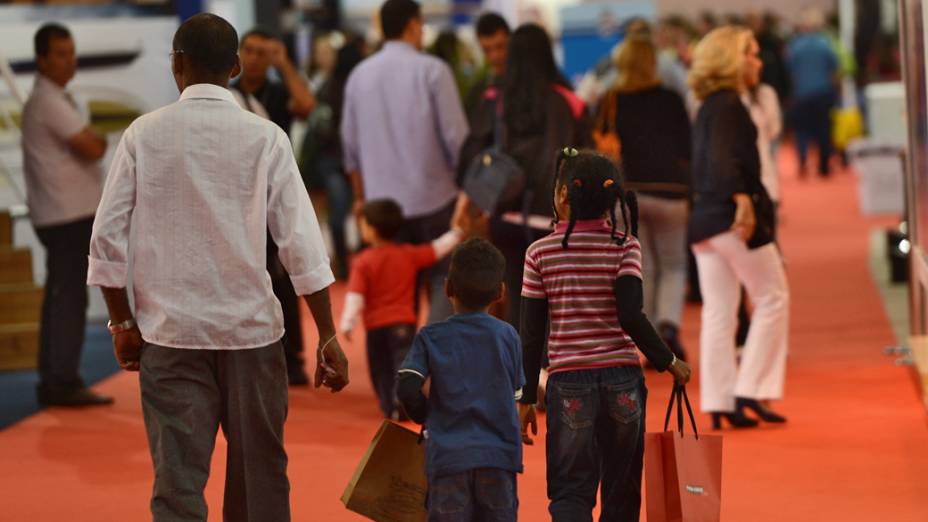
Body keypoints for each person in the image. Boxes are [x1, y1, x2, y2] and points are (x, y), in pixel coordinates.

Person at [86, 14, 350, 521]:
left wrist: (121, 321)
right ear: (234, 68)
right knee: (260, 484)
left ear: (176, 64)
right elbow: (301, 244)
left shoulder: (143, 135)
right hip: (250, 336)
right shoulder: (267, 137)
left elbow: (106, 238)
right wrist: (326, 333)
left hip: (169, 334)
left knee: (178, 484)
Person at [518, 149, 691, 521]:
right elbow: (631, 315)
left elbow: (531, 332)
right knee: (622, 489)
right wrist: (668, 360)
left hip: (569, 383)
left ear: (563, 195)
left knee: (570, 490)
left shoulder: (539, 254)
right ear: (614, 200)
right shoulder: (625, 246)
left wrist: (527, 395)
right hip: (622, 383)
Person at [341, 0, 469, 325]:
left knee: (393, 294)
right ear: (413, 25)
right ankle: (438, 362)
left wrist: (359, 200)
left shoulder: (358, 76)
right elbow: (457, 138)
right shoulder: (433, 70)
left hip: (382, 207)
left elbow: (350, 148)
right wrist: (467, 191)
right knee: (443, 281)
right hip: (435, 198)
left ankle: (401, 367)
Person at [688, 26, 790, 430]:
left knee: (719, 312)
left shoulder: (709, 105)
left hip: (705, 222)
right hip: (731, 216)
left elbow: (711, 160)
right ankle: (750, 387)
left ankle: (720, 399)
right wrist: (743, 200)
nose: (758, 61)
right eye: (751, 53)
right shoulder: (729, 105)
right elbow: (722, 160)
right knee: (773, 296)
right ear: (732, 59)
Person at [460, 23, 593, 329]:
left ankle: (525, 372)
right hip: (556, 216)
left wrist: (469, 201)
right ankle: (553, 368)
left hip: (505, 214)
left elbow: (471, 155)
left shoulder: (495, 100)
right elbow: (588, 159)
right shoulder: (569, 101)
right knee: (560, 303)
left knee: (519, 299)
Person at [397, 238, 523, 521]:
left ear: (448, 288)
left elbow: (407, 384)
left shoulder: (430, 337)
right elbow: (515, 395)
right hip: (498, 458)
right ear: (500, 292)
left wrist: (424, 415)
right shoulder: (508, 337)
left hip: (448, 458)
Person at [21, 23, 112, 407]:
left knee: (63, 297)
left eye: (71, 52)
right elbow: (91, 146)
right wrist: (98, 140)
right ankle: (61, 381)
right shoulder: (49, 101)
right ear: (42, 60)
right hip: (65, 215)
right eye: (60, 53)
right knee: (67, 298)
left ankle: (57, 378)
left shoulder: (55, 97)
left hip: (65, 213)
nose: (69, 60)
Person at [231, 27, 318, 385]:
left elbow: (307, 105)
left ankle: (292, 356)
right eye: (249, 50)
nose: (254, 57)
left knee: (283, 276)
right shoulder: (226, 93)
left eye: (262, 52)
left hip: (274, 193)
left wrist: (284, 64)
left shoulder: (279, 91)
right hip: (237, 197)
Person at [339, 196, 474, 419]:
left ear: (371, 230)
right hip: (404, 323)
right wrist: (457, 233)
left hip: (376, 326)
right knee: (402, 365)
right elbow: (436, 249)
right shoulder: (408, 254)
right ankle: (400, 400)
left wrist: (347, 322)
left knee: (380, 368)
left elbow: (355, 296)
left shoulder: (363, 261)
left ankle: (389, 404)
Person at [601, 35, 692, 362]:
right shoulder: (671, 99)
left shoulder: (611, 99)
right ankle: (668, 324)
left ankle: (646, 337)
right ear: (654, 63)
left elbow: (599, 148)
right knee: (674, 263)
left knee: (643, 266)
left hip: (627, 193)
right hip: (672, 191)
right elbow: (687, 149)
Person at [300, 34, 364, 280]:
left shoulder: (328, 86)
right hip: (351, 157)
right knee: (359, 210)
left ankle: (344, 266)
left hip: (330, 158)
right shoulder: (357, 86)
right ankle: (360, 258)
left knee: (337, 214)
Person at [787, 8, 839, 177]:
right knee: (824, 128)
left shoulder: (795, 45)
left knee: (802, 129)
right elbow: (834, 70)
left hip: (802, 93)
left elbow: (790, 70)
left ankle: (802, 160)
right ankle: (823, 165)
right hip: (823, 92)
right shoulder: (825, 44)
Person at [465, 12, 511, 115]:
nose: (495, 56)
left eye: (500, 46)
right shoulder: (477, 94)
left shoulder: (529, 85)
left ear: (511, 40)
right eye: (487, 50)